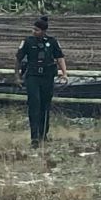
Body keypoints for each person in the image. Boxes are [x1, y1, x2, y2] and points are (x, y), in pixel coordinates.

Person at [15, 16, 68, 148]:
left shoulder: (52, 42)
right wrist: (17, 76)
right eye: (33, 29)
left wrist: (64, 73)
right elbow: (18, 59)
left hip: (47, 77)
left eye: (37, 30)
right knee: (34, 105)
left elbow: (60, 57)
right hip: (33, 76)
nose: (34, 32)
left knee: (45, 106)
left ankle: (43, 134)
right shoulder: (28, 41)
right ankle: (34, 137)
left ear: (44, 31)